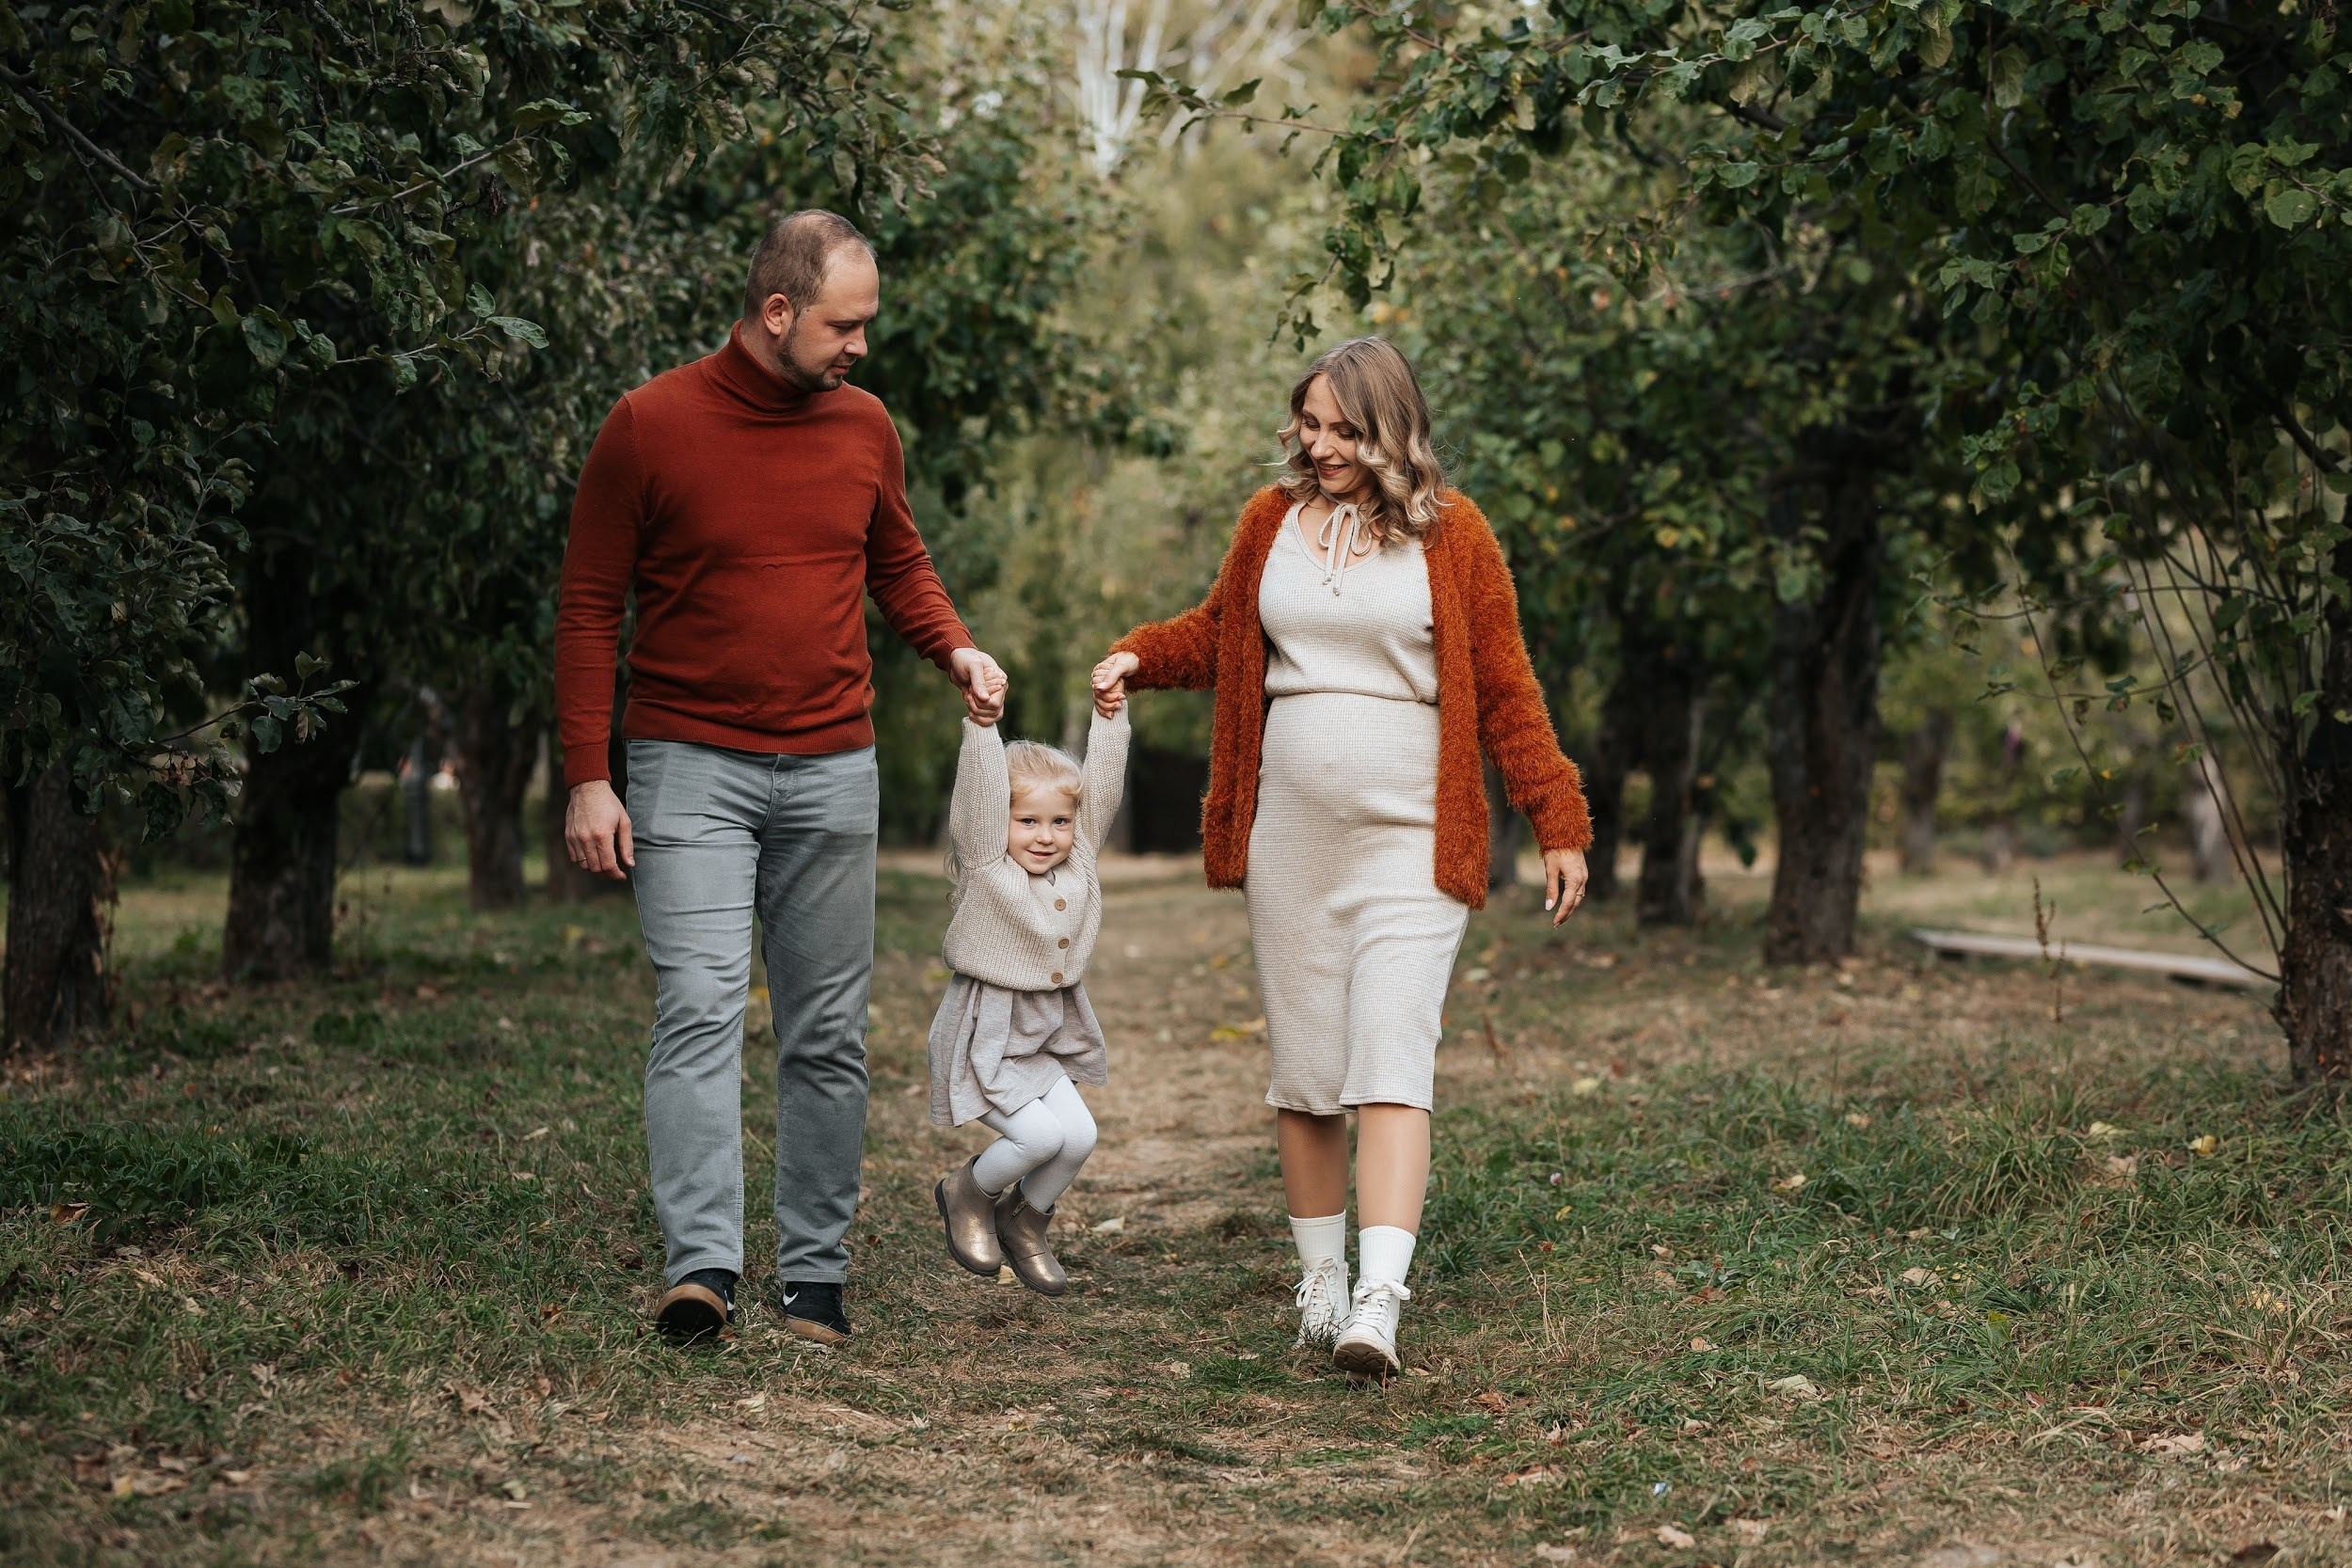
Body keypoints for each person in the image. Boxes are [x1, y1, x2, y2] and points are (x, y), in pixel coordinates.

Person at [1091, 337, 1592, 1378]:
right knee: (1308, 1069)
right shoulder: (1270, 523)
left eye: (1341, 429)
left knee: (1389, 1058)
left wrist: (1557, 817)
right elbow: (1220, 633)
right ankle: (1317, 1283)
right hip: (1291, 839)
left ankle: (1379, 1296)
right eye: (1308, 424)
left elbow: (1504, 685)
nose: (1318, 445)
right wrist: (1138, 655)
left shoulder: (1453, 538)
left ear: (1388, 427)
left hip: (1413, 835)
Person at [555, 209, 1009, 1347]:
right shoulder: (648, 425)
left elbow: (894, 559)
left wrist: (951, 643)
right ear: (776, 312)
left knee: (824, 1031)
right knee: (699, 1009)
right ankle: (702, 1265)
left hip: (828, 768)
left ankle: (815, 1274)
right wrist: (586, 775)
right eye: (843, 325)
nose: (860, 347)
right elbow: (587, 605)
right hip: (685, 766)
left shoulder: (863, 426)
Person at [926, 697, 1130, 1295]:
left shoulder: (1079, 863)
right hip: (983, 1033)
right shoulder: (989, 866)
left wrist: (1110, 717)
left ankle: (1024, 1222)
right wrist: (981, 726)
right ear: (1002, 824)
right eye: (1029, 821)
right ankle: (966, 1192)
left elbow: (1103, 792)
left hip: (1041, 1035)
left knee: (1080, 1137)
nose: (1046, 836)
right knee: (1038, 1137)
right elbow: (976, 801)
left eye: (1059, 822)